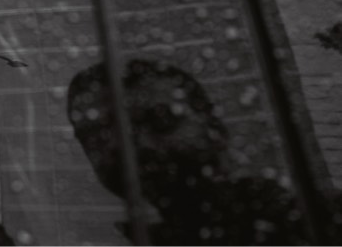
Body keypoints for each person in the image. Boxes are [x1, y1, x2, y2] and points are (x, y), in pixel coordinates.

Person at [68, 58, 309, 245]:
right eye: (98, 136)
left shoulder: (299, 223)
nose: (133, 145)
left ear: (214, 128)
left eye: (160, 120)